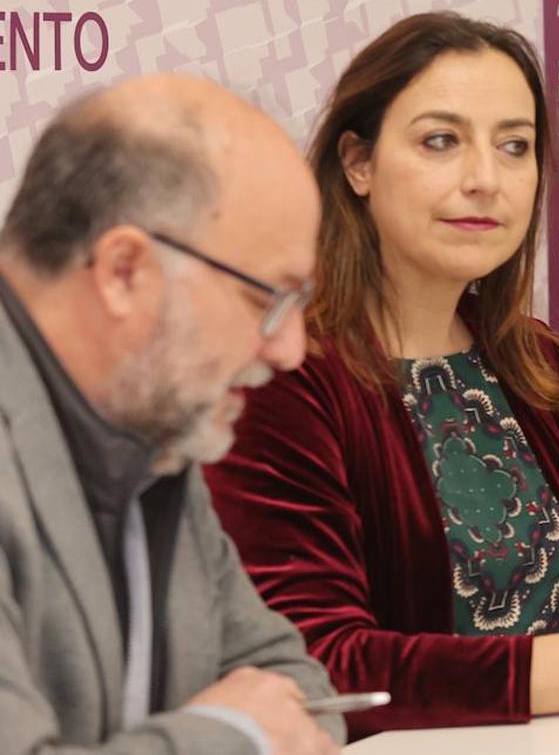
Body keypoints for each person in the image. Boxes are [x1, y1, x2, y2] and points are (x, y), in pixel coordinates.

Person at [202, 12, 559, 738]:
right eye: (441, 141)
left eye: (515, 146)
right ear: (357, 163)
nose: (485, 180)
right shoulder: (285, 375)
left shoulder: (532, 361)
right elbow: (322, 665)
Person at [0, 75, 343, 753]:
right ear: (125, 270)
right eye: (267, 301)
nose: (292, 350)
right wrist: (235, 735)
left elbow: (298, 690)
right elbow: (262, 720)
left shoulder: (153, 433)